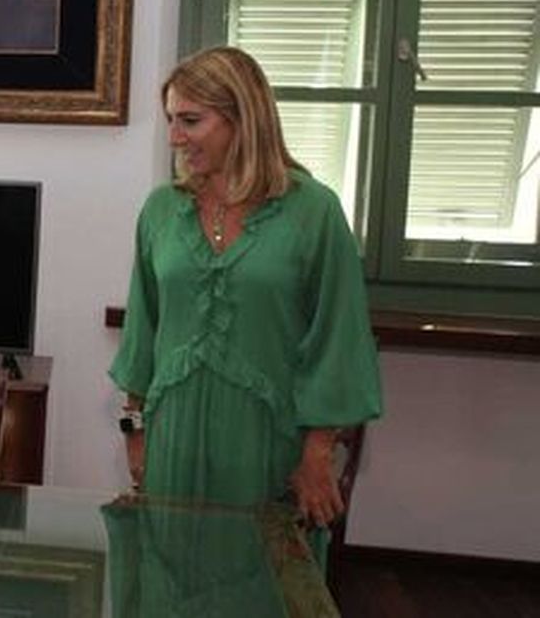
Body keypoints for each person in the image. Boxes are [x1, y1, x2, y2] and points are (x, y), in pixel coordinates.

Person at [109, 46, 382, 563]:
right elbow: (143, 331)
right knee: (169, 576)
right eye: (171, 120)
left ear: (243, 118)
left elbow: (337, 339)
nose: (175, 137)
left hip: (268, 446)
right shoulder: (161, 210)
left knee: (263, 582)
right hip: (174, 443)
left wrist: (318, 454)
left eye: (191, 120)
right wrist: (134, 434)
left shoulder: (314, 212)